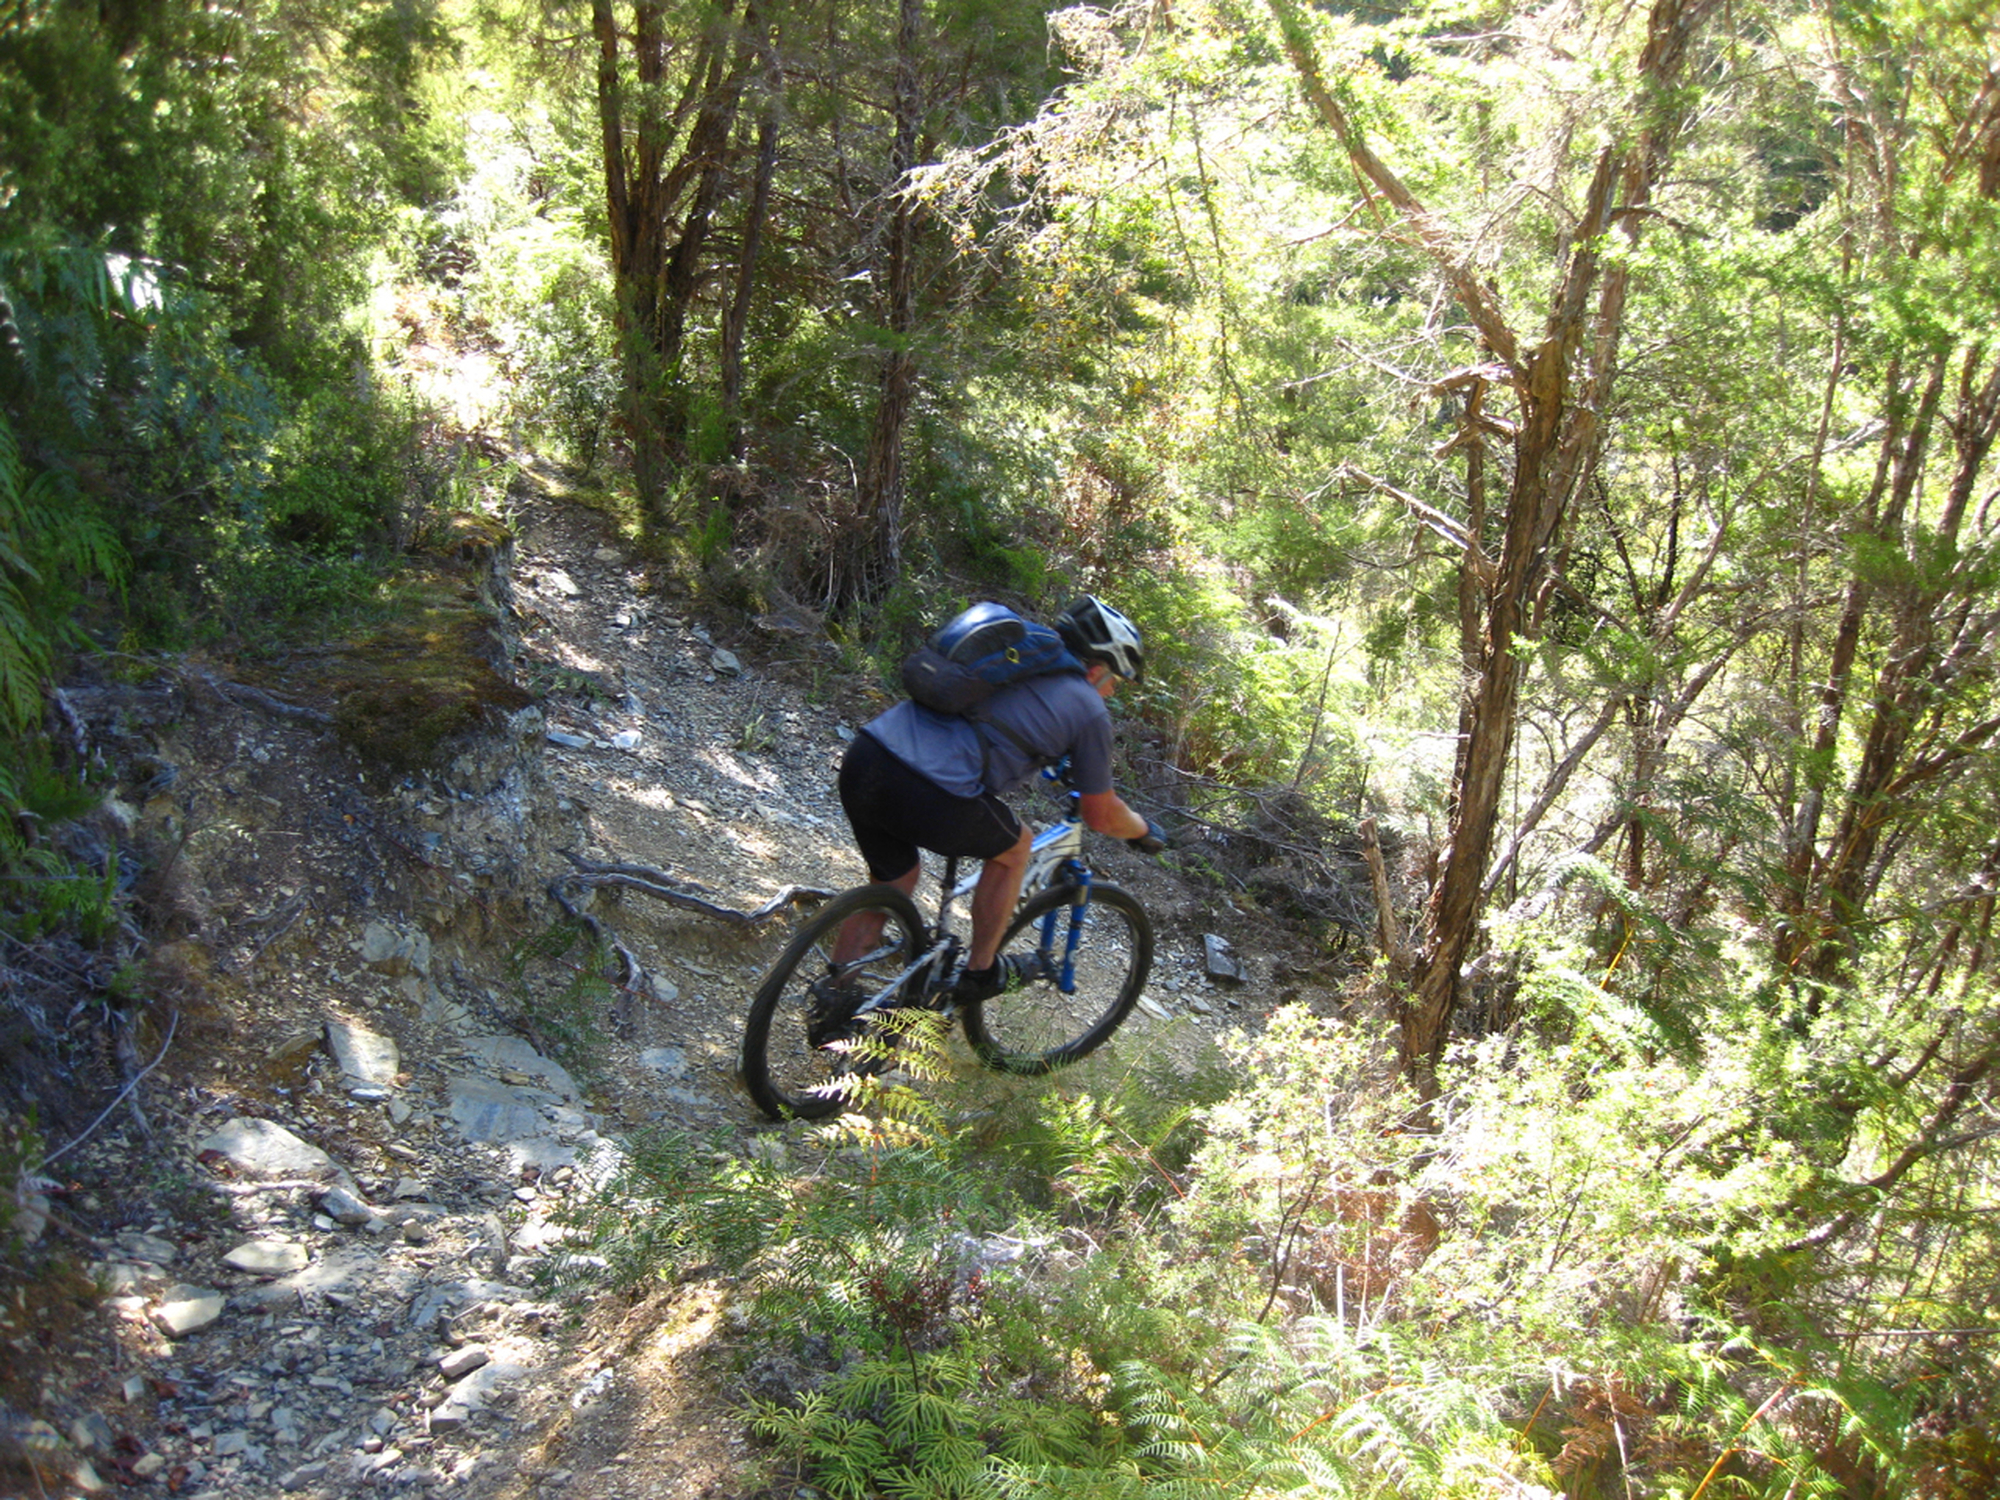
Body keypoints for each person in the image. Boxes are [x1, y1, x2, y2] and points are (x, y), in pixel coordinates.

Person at [832, 595, 1165, 1000]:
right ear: (1096, 669)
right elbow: (1102, 814)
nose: (1111, 691)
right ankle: (980, 972)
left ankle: (834, 997)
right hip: (928, 790)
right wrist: (1143, 830)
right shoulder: (1088, 708)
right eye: (1115, 680)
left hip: (867, 757)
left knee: (893, 884)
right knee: (1015, 848)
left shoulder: (1010, 655)